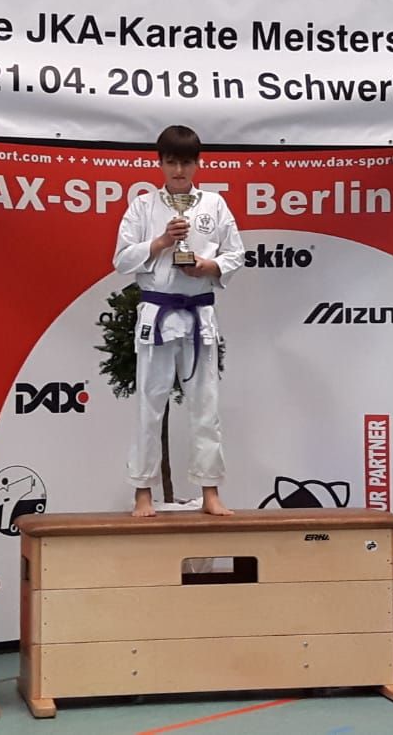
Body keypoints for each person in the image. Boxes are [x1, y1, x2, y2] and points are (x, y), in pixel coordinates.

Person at [113, 125, 245, 518]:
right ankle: (142, 493)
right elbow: (121, 260)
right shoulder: (142, 206)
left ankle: (210, 492)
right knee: (149, 405)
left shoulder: (214, 205)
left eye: (186, 162)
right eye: (171, 162)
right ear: (160, 163)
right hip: (156, 314)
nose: (178, 170)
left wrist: (208, 266)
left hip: (199, 315)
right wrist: (160, 242)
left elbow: (236, 254)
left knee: (206, 406)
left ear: (198, 163)